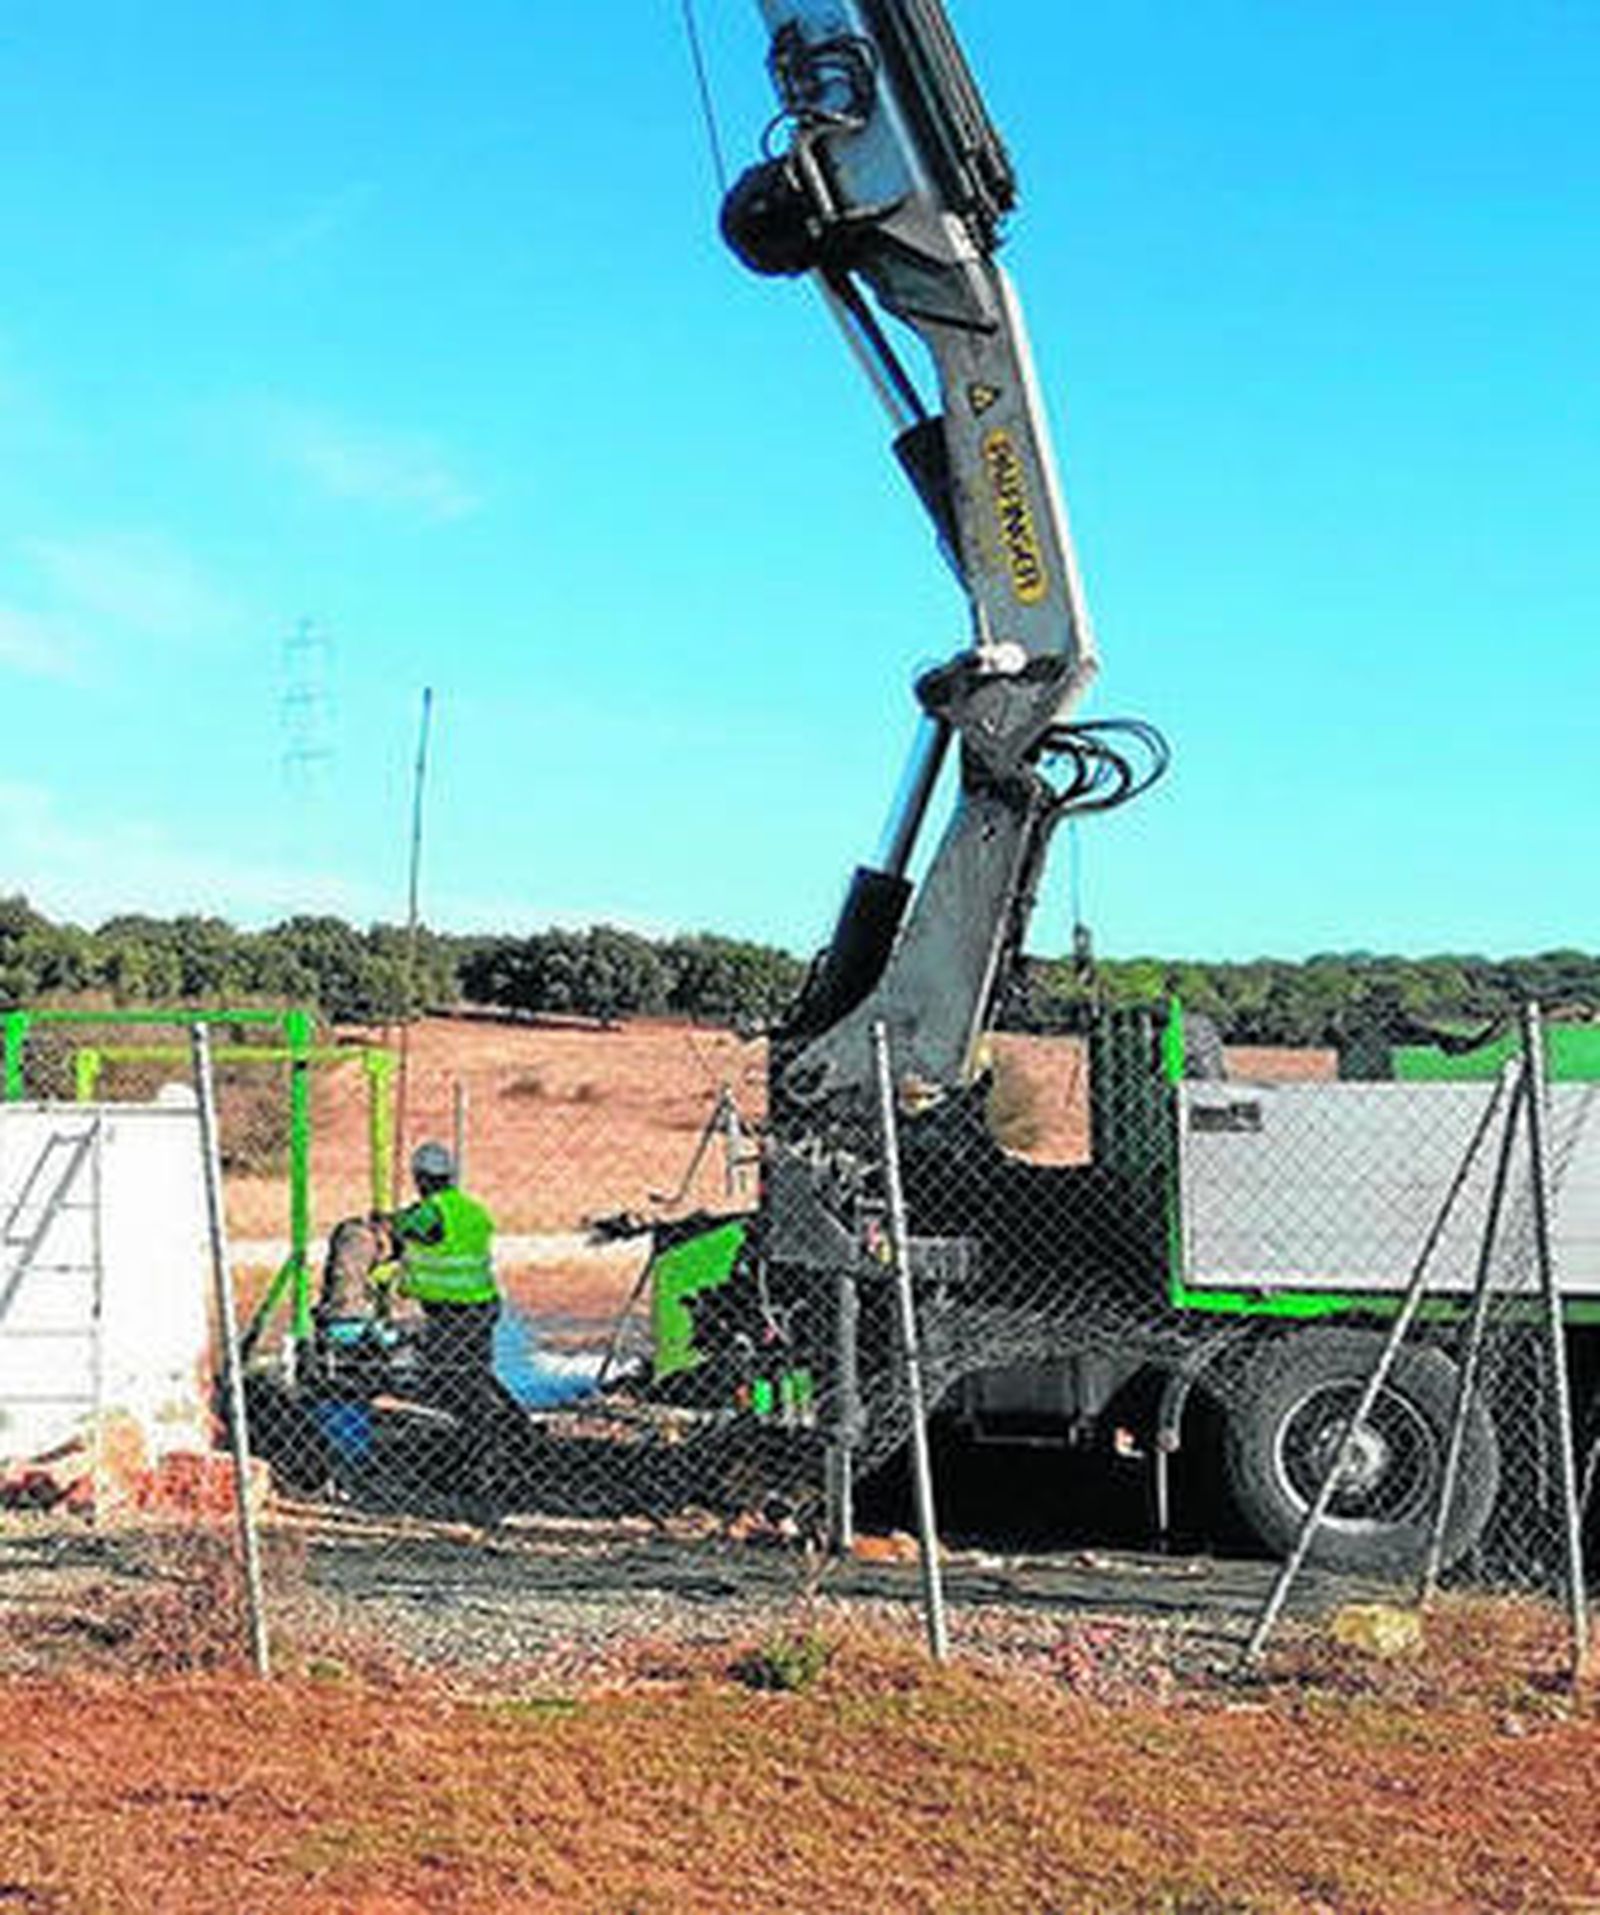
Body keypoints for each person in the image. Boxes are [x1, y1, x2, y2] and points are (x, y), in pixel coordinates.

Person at [378, 1141, 525, 1518]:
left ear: (420, 1178)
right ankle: (494, 1444)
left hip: (454, 1314)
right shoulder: (472, 1210)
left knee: (451, 1385)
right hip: (480, 1308)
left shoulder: (432, 1213)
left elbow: (407, 1226)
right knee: (472, 1377)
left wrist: (385, 1221)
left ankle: (473, 1462)